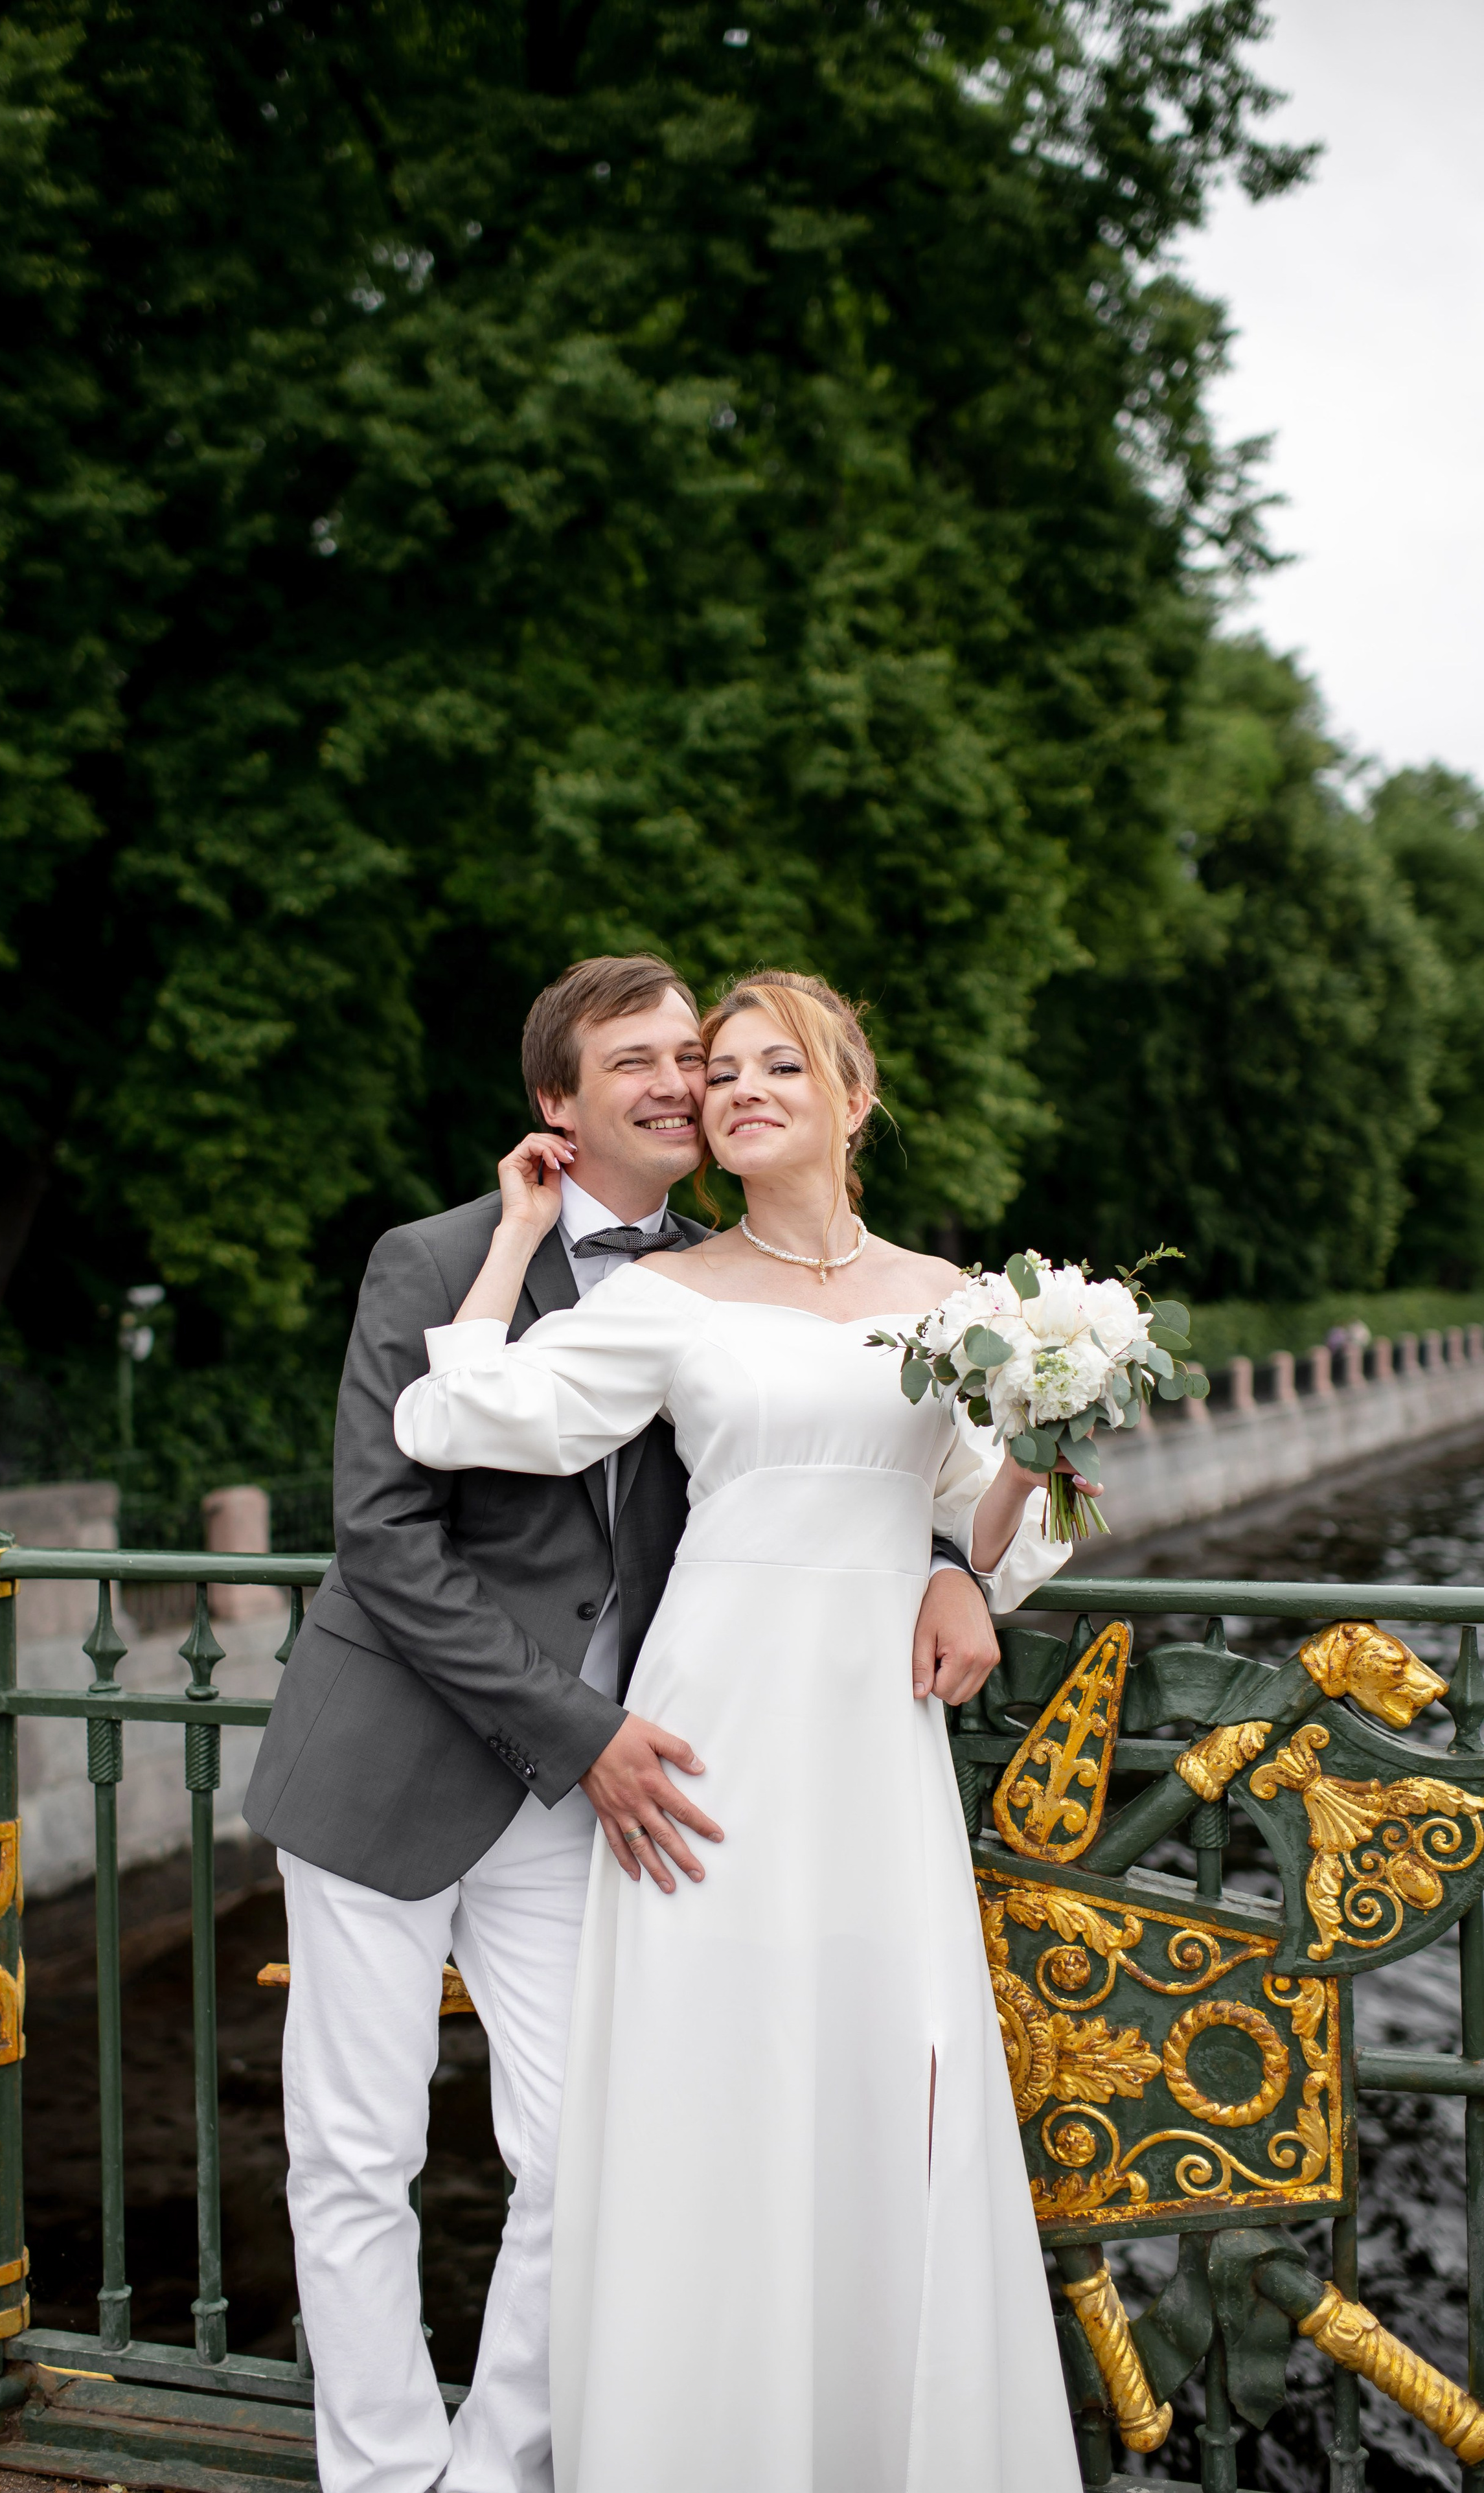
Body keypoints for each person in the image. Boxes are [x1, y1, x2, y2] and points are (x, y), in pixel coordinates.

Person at [245, 954, 999, 2493]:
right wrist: (573, 1726)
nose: (684, 1084)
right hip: (403, 1759)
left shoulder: (723, 1278)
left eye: (697, 1058)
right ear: (556, 1103)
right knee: (354, 2156)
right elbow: (389, 1537)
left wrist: (942, 1566)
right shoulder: (436, 1253)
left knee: (589, 2155)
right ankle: (385, 2476)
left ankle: (501, 2464)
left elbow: (846, 1457)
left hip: (608, 1782)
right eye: (644, 1062)